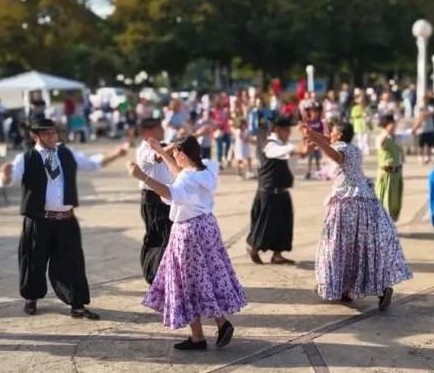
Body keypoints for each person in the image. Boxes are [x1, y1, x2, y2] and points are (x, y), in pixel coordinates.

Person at [0, 117, 129, 319]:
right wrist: (5, 175)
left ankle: (77, 304)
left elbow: (92, 163)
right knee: (33, 261)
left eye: (54, 132)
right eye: (47, 133)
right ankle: (31, 297)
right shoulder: (27, 158)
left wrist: (116, 154)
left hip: (66, 219)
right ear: (36, 136)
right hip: (39, 219)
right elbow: (9, 179)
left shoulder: (66, 154)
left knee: (72, 263)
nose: (52, 137)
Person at [127, 136, 245, 351]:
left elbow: (173, 192)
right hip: (207, 227)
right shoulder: (206, 170)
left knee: (187, 283)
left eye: (174, 155)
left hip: (187, 231)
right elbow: (180, 172)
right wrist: (162, 153)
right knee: (207, 276)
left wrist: (142, 176)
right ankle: (219, 323)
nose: (173, 159)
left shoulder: (186, 180)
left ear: (182, 155)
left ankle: (199, 336)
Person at [302, 121, 412, 308]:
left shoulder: (342, 149)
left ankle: (343, 287)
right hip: (364, 203)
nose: (330, 134)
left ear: (339, 135)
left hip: (348, 204)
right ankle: (361, 288)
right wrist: (314, 133)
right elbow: (330, 142)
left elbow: (336, 155)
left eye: (333, 132)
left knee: (337, 247)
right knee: (358, 249)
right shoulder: (352, 147)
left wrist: (315, 139)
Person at [246, 116, 310, 265]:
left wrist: (305, 138)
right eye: (286, 129)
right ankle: (254, 249)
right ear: (276, 129)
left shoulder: (281, 144)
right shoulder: (270, 145)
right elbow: (286, 150)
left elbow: (299, 152)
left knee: (284, 225)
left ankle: (277, 255)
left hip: (282, 191)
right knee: (266, 226)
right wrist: (300, 147)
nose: (288, 132)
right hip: (269, 192)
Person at [137, 118, 176, 285]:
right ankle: (154, 276)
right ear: (148, 132)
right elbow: (158, 157)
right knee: (159, 238)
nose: (162, 130)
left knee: (164, 237)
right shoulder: (144, 149)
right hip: (152, 200)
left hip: (165, 199)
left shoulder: (163, 144)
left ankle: (159, 274)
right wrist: (172, 147)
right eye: (159, 128)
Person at [375, 115, 403, 222]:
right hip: (386, 173)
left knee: (395, 202)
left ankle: (390, 223)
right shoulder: (381, 137)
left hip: (396, 173)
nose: (394, 125)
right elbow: (381, 144)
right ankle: (384, 225)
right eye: (392, 123)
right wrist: (386, 132)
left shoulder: (394, 137)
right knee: (385, 200)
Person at [412, 96, 434, 164]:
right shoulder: (418, 107)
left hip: (430, 128)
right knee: (421, 145)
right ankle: (420, 158)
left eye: (426, 99)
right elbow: (418, 116)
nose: (424, 101)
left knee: (430, 145)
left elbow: (433, 112)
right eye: (423, 100)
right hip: (421, 129)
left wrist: (425, 114)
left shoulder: (430, 106)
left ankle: (428, 158)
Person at [305, 105, 327, 179]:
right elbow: (306, 133)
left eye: (316, 113)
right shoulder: (309, 122)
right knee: (310, 158)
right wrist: (307, 142)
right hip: (310, 143)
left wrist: (322, 141)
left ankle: (318, 172)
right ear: (310, 114)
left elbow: (322, 132)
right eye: (313, 113)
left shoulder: (319, 122)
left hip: (318, 143)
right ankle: (308, 172)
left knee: (317, 158)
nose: (315, 115)